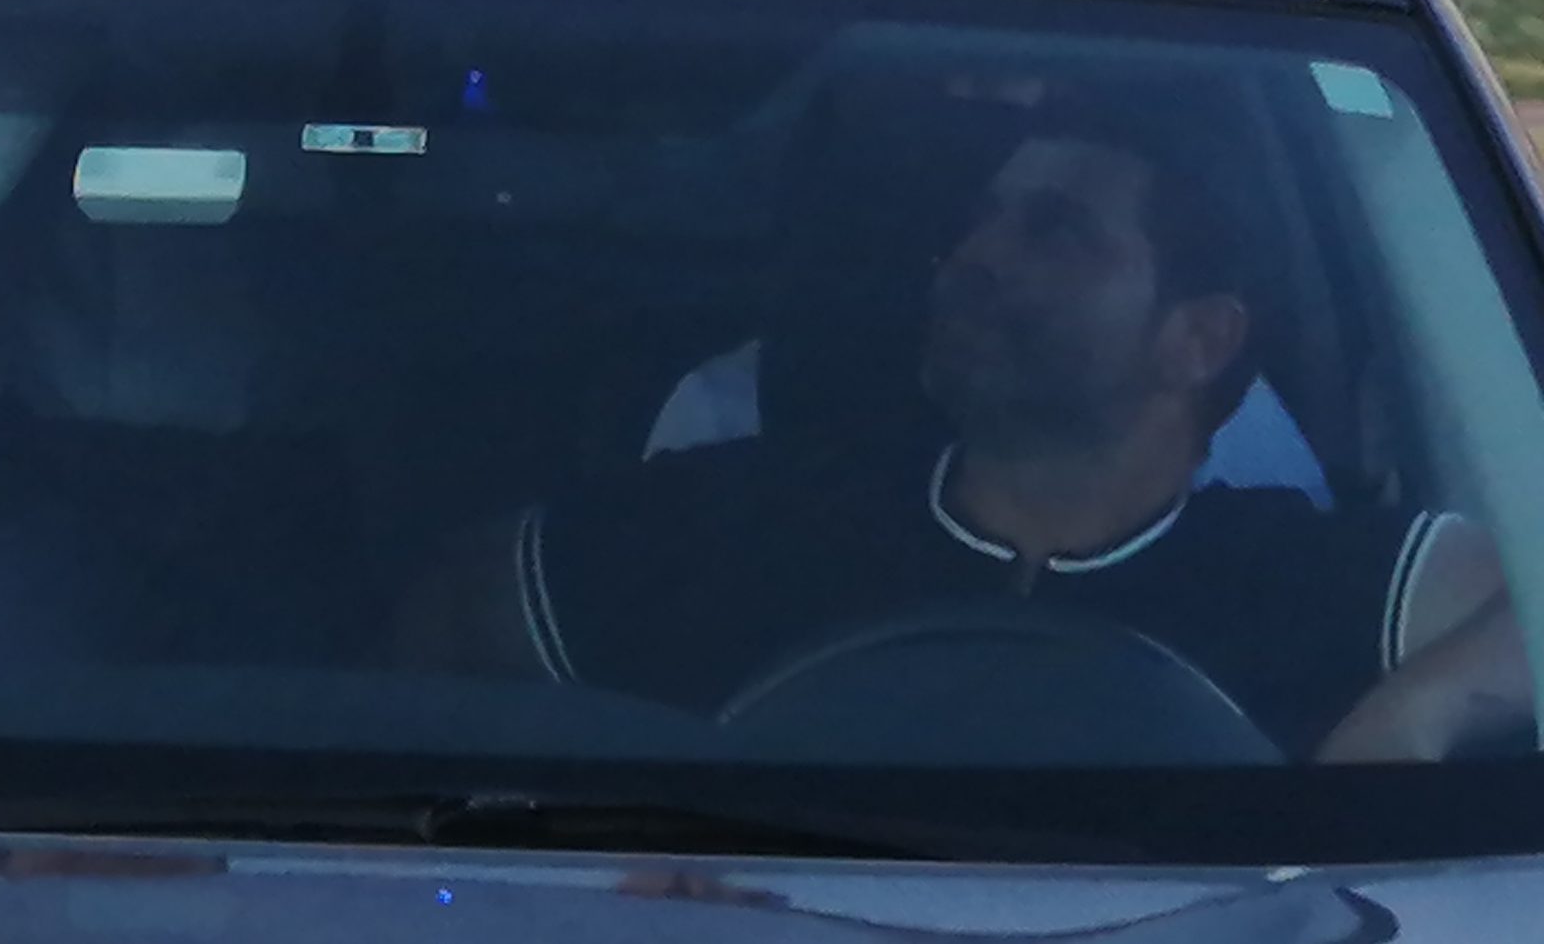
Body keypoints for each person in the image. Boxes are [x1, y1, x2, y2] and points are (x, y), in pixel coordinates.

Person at [400, 118, 1532, 763]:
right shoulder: (752, 523)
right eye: (983, 218)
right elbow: (444, 614)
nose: (976, 257)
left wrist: (1416, 711)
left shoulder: (1310, 579)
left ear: (1197, 339)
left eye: (1056, 232)